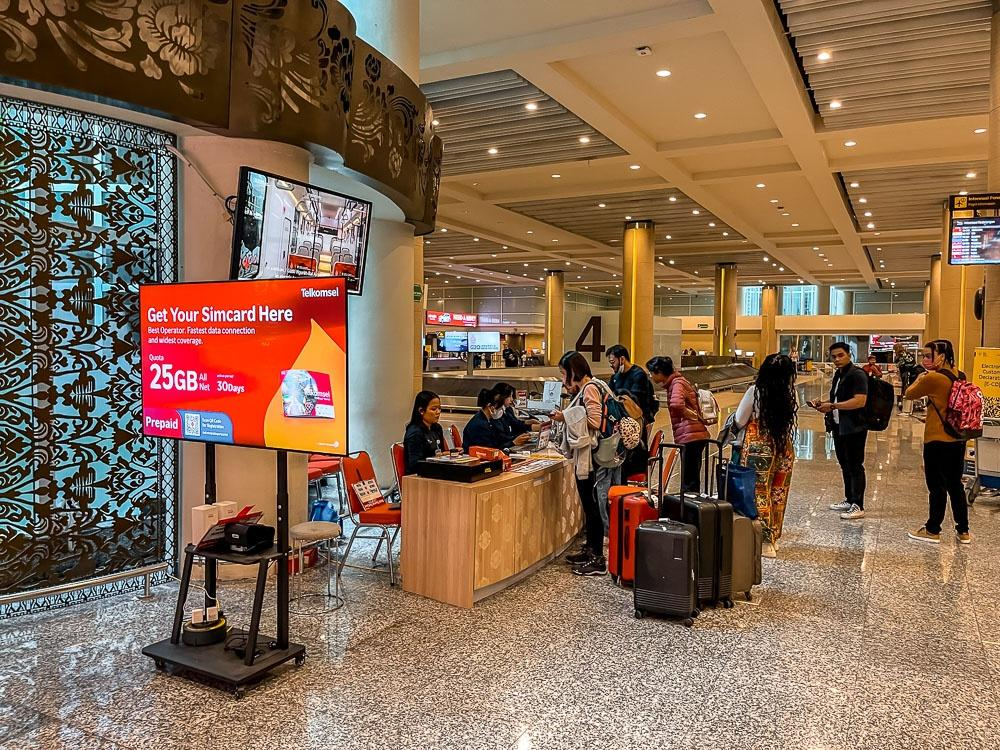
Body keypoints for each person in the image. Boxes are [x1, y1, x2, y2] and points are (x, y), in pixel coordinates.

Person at [551, 351, 618, 577]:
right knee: (590, 505)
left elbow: (594, 421)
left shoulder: (589, 388)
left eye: (564, 374)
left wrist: (565, 417)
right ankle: (590, 549)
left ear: (573, 371)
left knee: (592, 506)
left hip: (593, 457)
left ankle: (597, 558)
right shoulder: (596, 385)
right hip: (593, 455)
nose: (563, 379)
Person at [903, 340, 971, 544]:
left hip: (937, 439)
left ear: (941, 356)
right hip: (958, 438)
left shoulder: (932, 377)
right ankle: (963, 531)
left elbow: (909, 393)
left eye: (928, 355)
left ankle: (933, 529)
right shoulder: (960, 375)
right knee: (955, 484)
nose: (924, 359)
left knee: (936, 486)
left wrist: (920, 377)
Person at [732, 354, 798, 558]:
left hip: (758, 448)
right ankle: (774, 537)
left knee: (759, 492)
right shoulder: (790, 393)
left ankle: (765, 541)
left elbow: (740, 420)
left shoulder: (756, 391)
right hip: (784, 446)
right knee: (778, 491)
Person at [811, 342, 869, 521]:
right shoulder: (839, 374)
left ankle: (858, 504)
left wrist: (833, 406)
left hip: (854, 427)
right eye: (834, 356)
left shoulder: (857, 374)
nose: (837, 359)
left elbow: (860, 401)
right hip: (839, 425)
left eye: (840, 355)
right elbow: (837, 399)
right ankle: (849, 498)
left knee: (855, 465)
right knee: (844, 463)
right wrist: (824, 403)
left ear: (849, 355)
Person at [647, 355, 710, 493]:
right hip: (692, 435)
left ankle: (689, 503)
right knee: (691, 476)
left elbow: (676, 404)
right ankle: (690, 501)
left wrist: (688, 414)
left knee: (689, 479)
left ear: (660, 372)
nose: (651, 376)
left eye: (651, 372)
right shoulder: (677, 382)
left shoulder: (677, 383)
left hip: (691, 436)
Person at [608, 344, 658, 478]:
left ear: (622, 359)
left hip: (637, 424)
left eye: (613, 362)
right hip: (620, 425)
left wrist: (620, 396)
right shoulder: (616, 377)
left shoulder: (638, 375)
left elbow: (635, 401)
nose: (611, 365)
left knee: (633, 458)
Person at [463, 387, 531, 452]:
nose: (501, 411)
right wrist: (513, 443)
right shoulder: (479, 425)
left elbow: (500, 439)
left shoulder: (489, 420)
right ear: (491, 407)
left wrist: (516, 438)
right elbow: (490, 450)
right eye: (500, 408)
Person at [402, 390, 447, 475]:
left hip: (437, 471)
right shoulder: (415, 433)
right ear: (421, 411)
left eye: (439, 408)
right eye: (434, 409)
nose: (438, 412)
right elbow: (414, 465)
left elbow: (441, 453)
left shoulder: (437, 428)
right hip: (419, 475)